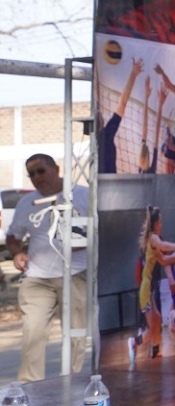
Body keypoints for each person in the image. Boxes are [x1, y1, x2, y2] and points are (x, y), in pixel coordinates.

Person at [4, 154, 90, 383]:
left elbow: (98, 233)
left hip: (75, 275)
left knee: (76, 336)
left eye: (41, 171)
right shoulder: (26, 202)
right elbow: (13, 236)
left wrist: (85, 242)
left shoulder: (82, 195)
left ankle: (72, 384)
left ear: (56, 168)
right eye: (31, 174)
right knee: (33, 334)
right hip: (37, 279)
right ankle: (30, 388)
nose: (36, 178)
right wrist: (17, 253)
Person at [134, 207, 175, 360]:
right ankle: (135, 342)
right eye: (160, 222)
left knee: (157, 320)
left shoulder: (153, 242)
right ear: (155, 223)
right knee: (154, 324)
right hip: (146, 288)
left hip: (148, 288)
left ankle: (154, 352)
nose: (161, 224)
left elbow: (165, 260)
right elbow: (165, 246)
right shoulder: (154, 238)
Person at [98, 57, 145, 173]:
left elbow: (122, 103)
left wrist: (133, 74)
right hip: (109, 183)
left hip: (100, 182)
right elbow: (122, 103)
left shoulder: (101, 136)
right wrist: (133, 75)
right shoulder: (105, 134)